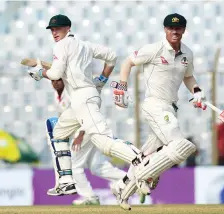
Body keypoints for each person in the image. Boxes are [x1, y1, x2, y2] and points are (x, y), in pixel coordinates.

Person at [27, 14, 143, 196]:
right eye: (52, 30)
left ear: (68, 28)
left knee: (104, 141)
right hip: (81, 99)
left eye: (57, 29)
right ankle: (66, 181)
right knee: (58, 131)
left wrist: (40, 72)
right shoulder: (85, 46)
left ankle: (140, 159)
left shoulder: (61, 45)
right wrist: (102, 79)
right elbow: (112, 56)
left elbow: (56, 73)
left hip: (84, 98)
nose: (54, 32)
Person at [110, 13, 205, 210]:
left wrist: (197, 91)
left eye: (178, 28)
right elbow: (127, 62)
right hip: (154, 105)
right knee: (180, 145)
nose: (175, 31)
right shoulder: (154, 49)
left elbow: (189, 77)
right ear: (165, 30)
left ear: (184, 30)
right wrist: (122, 86)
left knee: (147, 154)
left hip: (170, 107)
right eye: (171, 28)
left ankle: (122, 188)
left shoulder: (187, 53)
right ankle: (147, 175)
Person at [47, 78, 126, 205]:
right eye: (52, 81)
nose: (55, 83)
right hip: (82, 130)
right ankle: (128, 180)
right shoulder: (57, 96)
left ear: (64, 80)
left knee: (73, 165)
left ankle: (89, 198)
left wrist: (80, 135)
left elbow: (86, 113)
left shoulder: (72, 92)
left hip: (85, 129)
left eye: (58, 81)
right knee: (96, 166)